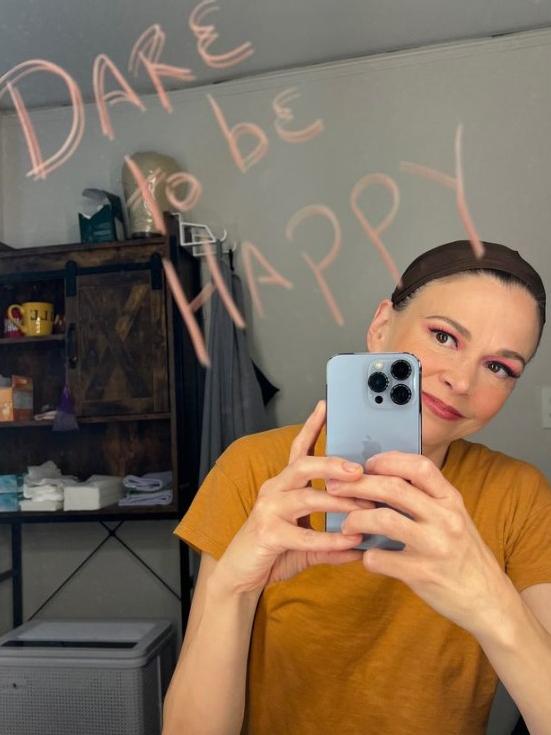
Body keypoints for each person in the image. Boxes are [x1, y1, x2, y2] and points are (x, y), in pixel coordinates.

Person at [163, 240, 551, 735]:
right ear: (381, 326)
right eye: (445, 337)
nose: (460, 379)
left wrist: (493, 606)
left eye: (500, 367)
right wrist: (233, 589)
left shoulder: (518, 495)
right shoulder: (256, 470)